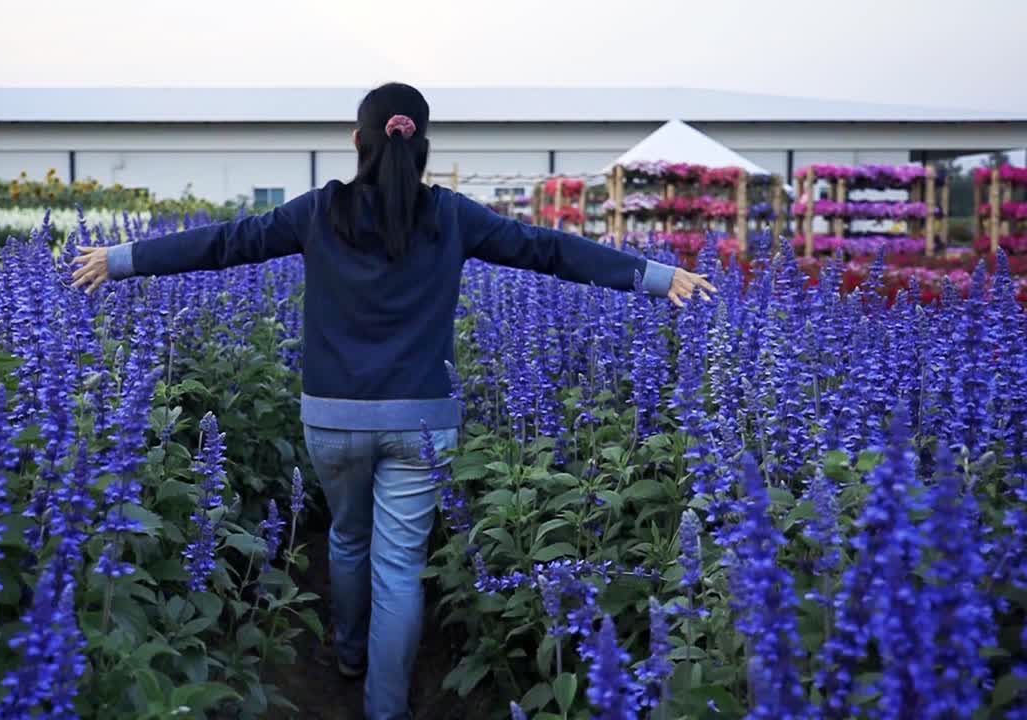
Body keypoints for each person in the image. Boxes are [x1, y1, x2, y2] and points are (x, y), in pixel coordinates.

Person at [72, 82, 715, 720]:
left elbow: (225, 242)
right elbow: (546, 249)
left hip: (333, 416)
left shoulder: (319, 211)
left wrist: (122, 257)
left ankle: (349, 655)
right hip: (422, 421)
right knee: (400, 568)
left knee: (347, 540)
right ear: (424, 145)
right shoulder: (454, 215)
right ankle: (387, 708)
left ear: (359, 141)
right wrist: (657, 277)